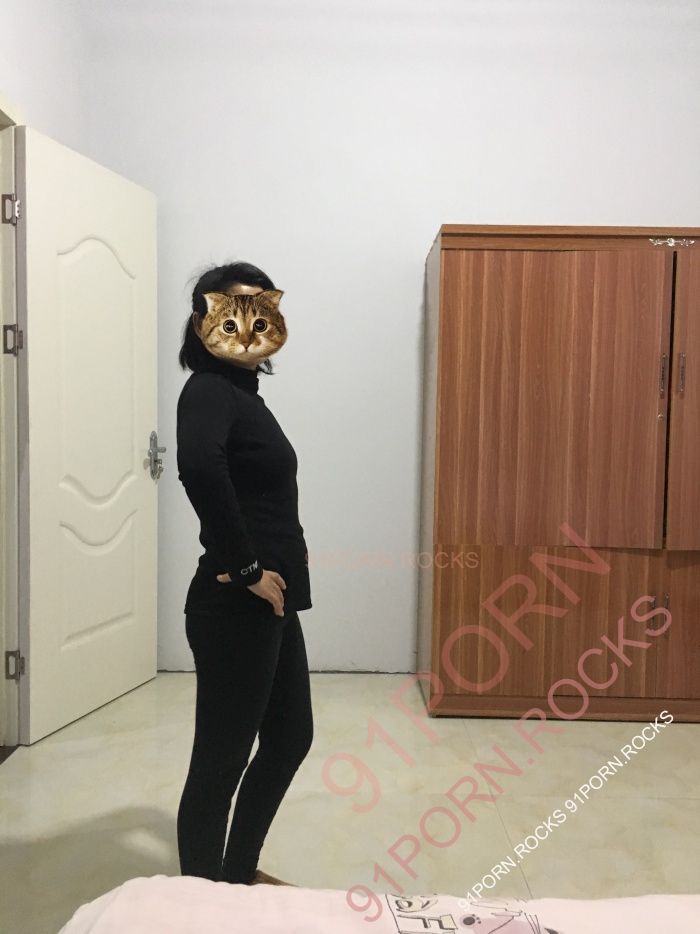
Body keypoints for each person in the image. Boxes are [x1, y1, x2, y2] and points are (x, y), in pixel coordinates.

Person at [175, 261, 314, 887]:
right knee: (220, 763)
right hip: (236, 604)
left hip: (270, 601)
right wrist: (247, 566)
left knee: (289, 739)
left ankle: (235, 878)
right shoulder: (208, 389)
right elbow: (200, 468)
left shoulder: (242, 397)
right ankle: (201, 903)